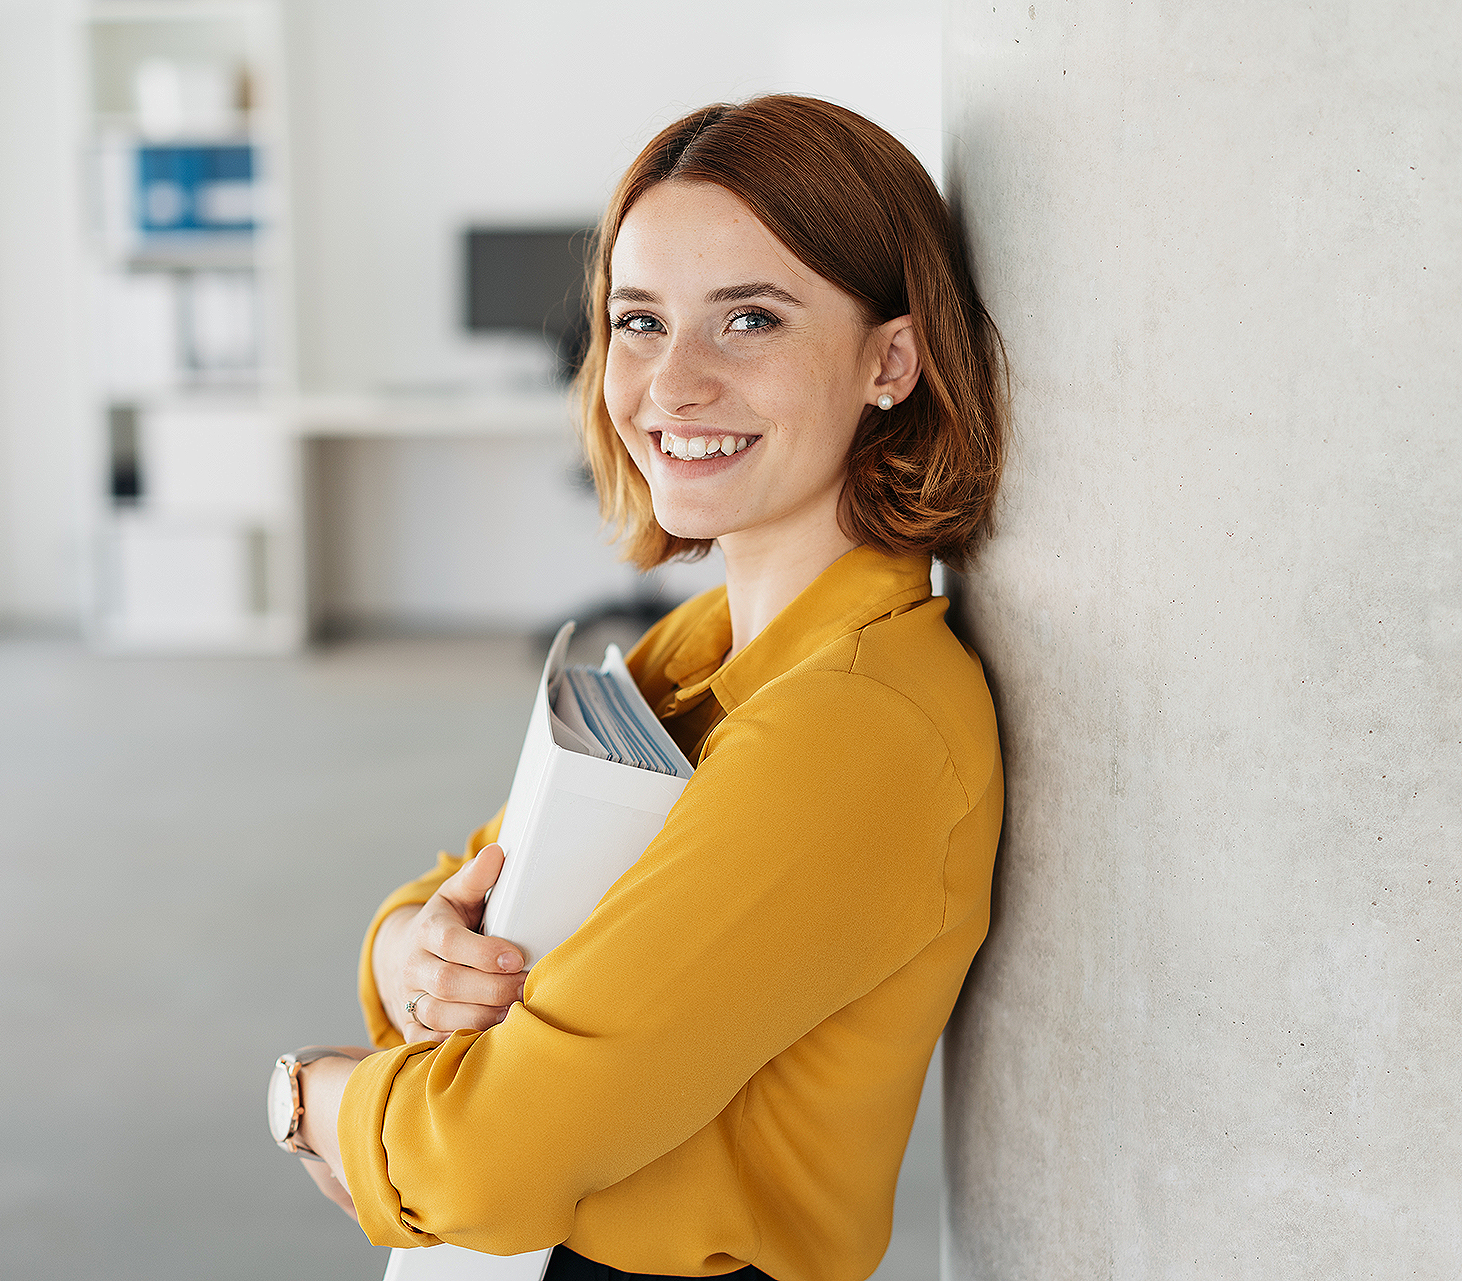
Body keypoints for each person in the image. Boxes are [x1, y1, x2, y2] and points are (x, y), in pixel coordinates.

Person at [263, 95, 1007, 1281]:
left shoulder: (857, 726)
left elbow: (483, 1164)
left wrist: (310, 1095)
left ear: (892, 360)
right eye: (639, 321)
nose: (672, 383)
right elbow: (474, 881)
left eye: (750, 319)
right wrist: (410, 947)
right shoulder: (706, 648)